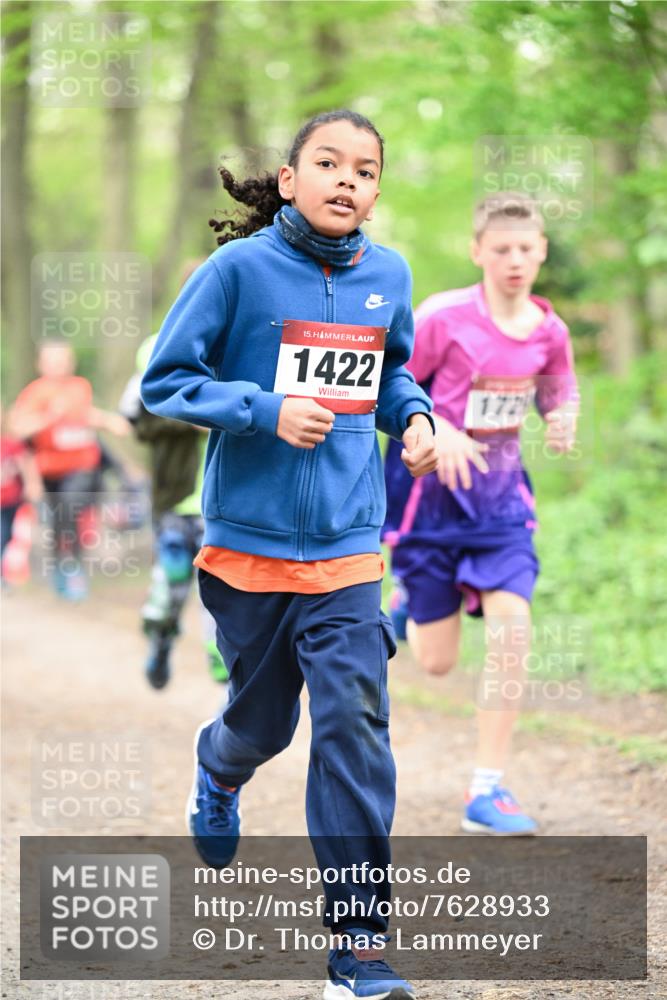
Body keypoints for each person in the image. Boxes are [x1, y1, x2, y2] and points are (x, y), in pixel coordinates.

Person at [142, 109, 437, 1000]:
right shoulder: (237, 271)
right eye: (329, 163)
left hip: (349, 548)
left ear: (375, 190)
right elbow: (166, 381)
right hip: (249, 549)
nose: (348, 180)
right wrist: (263, 410)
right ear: (289, 178)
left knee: (352, 725)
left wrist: (413, 417)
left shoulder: (388, 274)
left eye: (365, 170)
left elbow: (390, 373)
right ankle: (217, 764)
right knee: (264, 726)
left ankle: (358, 946)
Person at [383, 192, 579, 836]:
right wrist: (440, 427)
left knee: (512, 630)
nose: (515, 261)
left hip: (501, 506)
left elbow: (557, 389)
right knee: (436, 662)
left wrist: (562, 418)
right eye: (501, 249)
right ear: (478, 252)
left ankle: (487, 789)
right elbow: (393, 386)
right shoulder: (443, 317)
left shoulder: (550, 330)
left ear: (541, 250)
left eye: (525, 248)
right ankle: (409, 599)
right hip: (430, 504)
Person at [119, 326, 229, 690]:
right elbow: (139, 419)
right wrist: (191, 419)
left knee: (220, 585)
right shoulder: (160, 345)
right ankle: (161, 638)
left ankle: (221, 655)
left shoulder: (233, 340)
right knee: (174, 584)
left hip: (220, 506)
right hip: (174, 503)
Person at [10, 340, 129, 600]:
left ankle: (74, 567)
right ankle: (60, 567)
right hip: (50, 471)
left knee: (71, 506)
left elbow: (87, 415)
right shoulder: (34, 392)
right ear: (41, 364)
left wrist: (110, 421)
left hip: (82, 467)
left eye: (64, 360)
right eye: (53, 361)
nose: (59, 366)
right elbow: (18, 430)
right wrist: (49, 416)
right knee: (59, 520)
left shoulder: (80, 386)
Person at [1, 403, 43, 581]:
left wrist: (32, 484)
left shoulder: (11, 444)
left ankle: (5, 575)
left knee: (8, 536)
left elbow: (26, 464)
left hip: (11, 501)